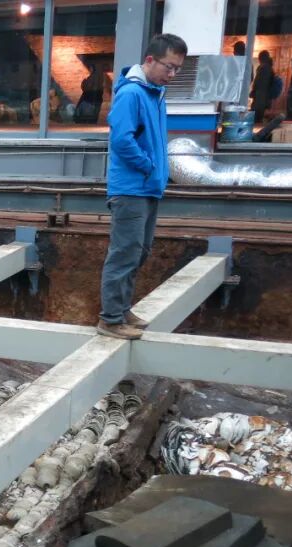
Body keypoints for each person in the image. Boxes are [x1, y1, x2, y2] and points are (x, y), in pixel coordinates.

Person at [97, 33, 188, 340]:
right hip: (131, 189)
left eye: (177, 69)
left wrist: (156, 173)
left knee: (139, 252)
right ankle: (111, 319)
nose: (172, 74)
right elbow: (121, 140)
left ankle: (122, 310)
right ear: (150, 60)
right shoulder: (132, 94)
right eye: (169, 66)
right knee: (125, 253)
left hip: (147, 188)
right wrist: (149, 166)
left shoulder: (154, 93)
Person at [250, 50, 275, 121]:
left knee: (256, 119)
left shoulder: (263, 68)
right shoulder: (270, 68)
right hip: (265, 99)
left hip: (260, 99)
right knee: (260, 118)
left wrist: (253, 91)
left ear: (261, 58)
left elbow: (258, 83)